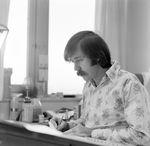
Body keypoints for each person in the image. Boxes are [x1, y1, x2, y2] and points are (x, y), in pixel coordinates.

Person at [50, 31, 150, 145]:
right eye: (73, 61)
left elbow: (141, 136)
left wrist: (92, 133)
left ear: (97, 56)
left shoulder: (128, 84)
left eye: (79, 60)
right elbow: (87, 123)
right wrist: (67, 125)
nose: (75, 68)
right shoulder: (88, 86)